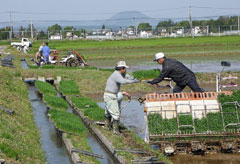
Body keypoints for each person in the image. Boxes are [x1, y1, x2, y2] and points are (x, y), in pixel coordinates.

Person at [104, 61, 139, 134]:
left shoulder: (119, 74)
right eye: (125, 68)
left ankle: (107, 127)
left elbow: (127, 76)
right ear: (121, 69)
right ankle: (115, 131)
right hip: (110, 96)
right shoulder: (116, 75)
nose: (126, 70)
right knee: (116, 114)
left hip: (112, 95)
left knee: (108, 112)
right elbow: (123, 81)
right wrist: (133, 81)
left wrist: (133, 77)